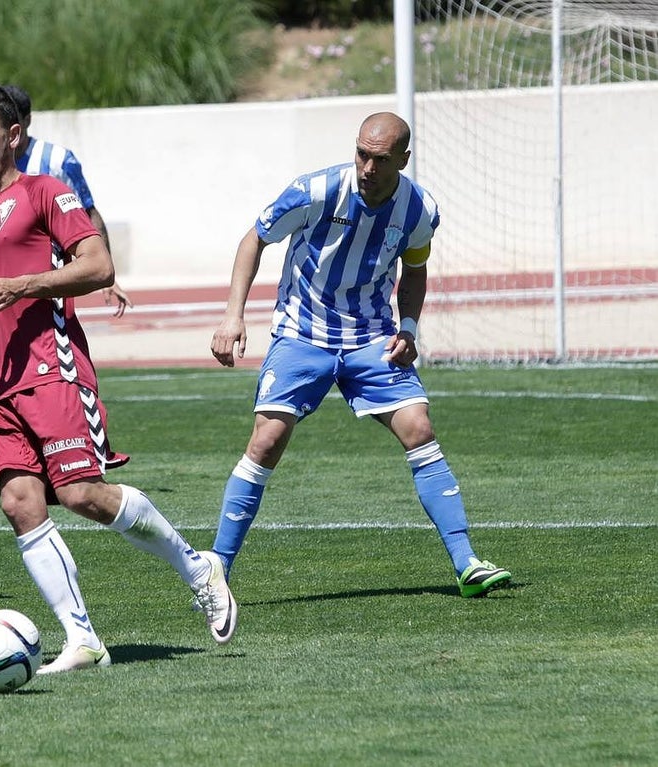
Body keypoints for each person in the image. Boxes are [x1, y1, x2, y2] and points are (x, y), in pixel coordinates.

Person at [0, 82, 237, 671]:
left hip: (52, 372)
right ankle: (83, 640)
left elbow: (99, 266)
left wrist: (25, 285)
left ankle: (197, 566)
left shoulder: (46, 193)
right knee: (21, 503)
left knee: (80, 495)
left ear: (13, 136)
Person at [208, 112, 512, 598]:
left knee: (420, 426)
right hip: (302, 331)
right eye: (362, 154)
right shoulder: (315, 191)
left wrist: (409, 328)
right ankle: (217, 568)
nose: (368, 167)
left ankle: (466, 562)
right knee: (268, 439)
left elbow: (415, 270)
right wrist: (232, 316)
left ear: (403, 160)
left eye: (381, 159)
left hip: (371, 336)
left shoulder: (418, 209)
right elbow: (255, 239)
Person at [0, 83, 132, 317]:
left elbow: (88, 214)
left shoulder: (55, 163)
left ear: (20, 126)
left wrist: (103, 272)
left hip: (47, 312)